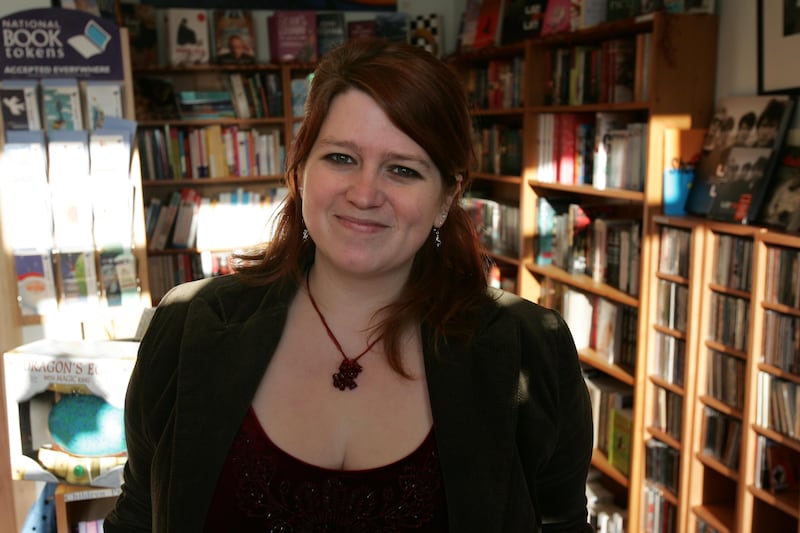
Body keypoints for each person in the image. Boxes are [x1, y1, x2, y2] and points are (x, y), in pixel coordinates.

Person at [104, 38, 593, 532]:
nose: (364, 194)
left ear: (447, 196)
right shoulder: (188, 328)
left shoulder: (532, 350)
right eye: (341, 158)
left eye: (402, 169)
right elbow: (139, 517)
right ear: (300, 171)